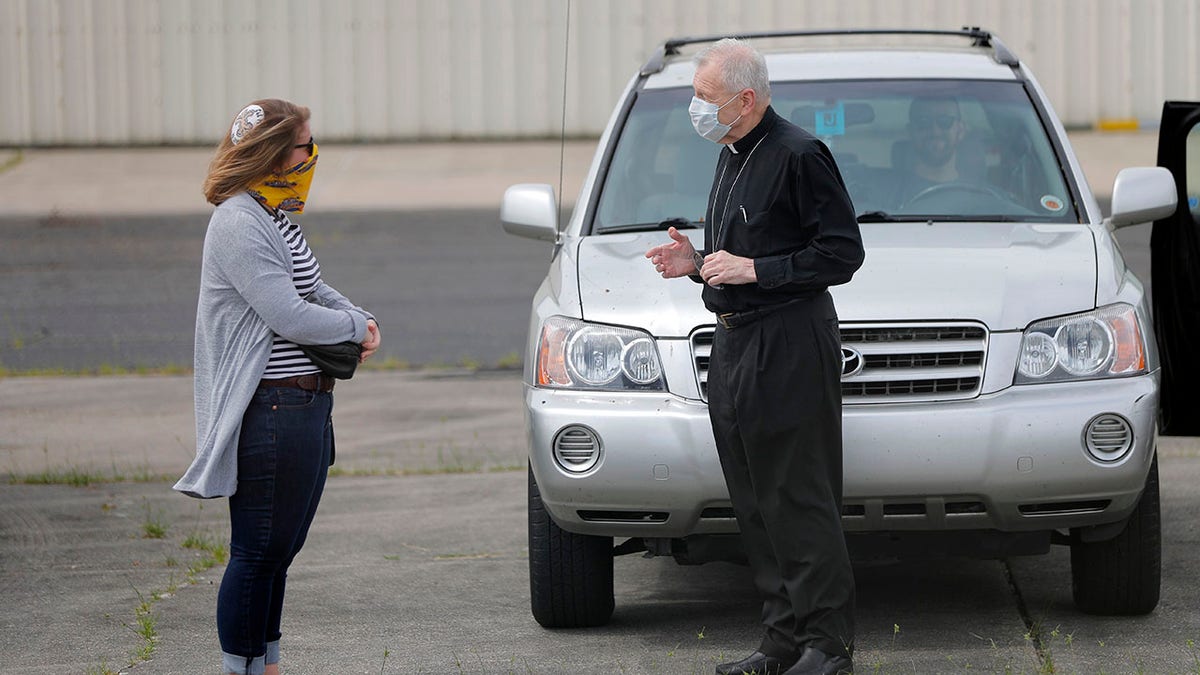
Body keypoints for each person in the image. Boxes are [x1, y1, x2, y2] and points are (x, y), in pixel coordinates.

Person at [645, 39, 863, 675]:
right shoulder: (730, 153)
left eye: (705, 98)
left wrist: (757, 269)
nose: (696, 108)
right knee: (754, 498)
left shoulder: (799, 154)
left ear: (745, 99)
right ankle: (782, 641)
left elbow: (842, 253)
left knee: (798, 497)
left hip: (789, 343)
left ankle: (827, 645)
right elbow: (737, 262)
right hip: (734, 343)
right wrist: (698, 268)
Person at [173, 98, 381, 675]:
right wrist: (353, 328)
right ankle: (240, 667)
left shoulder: (275, 217)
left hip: (307, 405)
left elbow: (315, 288)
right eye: (303, 144)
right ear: (272, 155)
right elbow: (288, 314)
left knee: (280, 553)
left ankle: (267, 663)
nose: (312, 154)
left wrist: (360, 316)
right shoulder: (239, 222)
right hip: (272, 408)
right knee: (257, 553)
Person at [889, 96, 971, 204]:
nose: (935, 131)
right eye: (923, 122)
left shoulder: (988, 198)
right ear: (910, 131)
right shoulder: (885, 195)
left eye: (945, 121)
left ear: (960, 131)